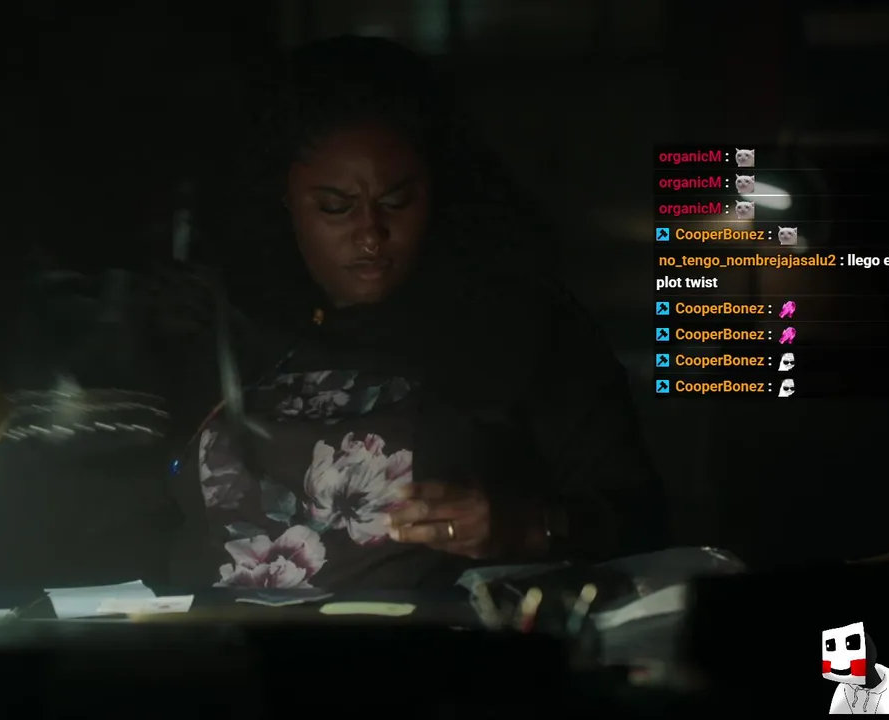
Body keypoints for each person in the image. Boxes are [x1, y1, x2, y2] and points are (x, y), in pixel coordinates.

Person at [156, 36, 664, 591]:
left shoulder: (521, 329)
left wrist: (526, 527)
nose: (370, 234)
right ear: (282, 195)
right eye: (334, 207)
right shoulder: (220, 329)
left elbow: (640, 519)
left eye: (397, 202)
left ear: (436, 188)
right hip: (214, 641)